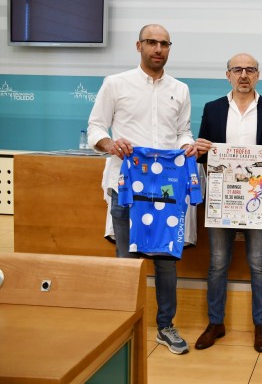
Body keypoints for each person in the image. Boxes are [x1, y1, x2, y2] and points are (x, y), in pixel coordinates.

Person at [87, 24, 198, 355]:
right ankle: (126, 325)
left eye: (164, 44)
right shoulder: (115, 84)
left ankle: (165, 326)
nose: (158, 49)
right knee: (127, 260)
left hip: (165, 190)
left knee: (166, 261)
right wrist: (110, 143)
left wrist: (188, 145)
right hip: (125, 187)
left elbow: (183, 132)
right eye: (151, 42)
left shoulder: (180, 89)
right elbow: (95, 127)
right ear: (139, 46)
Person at [193, 53, 262, 353]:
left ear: (258, 75)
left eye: (249, 70)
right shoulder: (213, 108)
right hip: (222, 199)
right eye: (237, 70)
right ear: (228, 75)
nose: (243, 75)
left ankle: (261, 325)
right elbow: (203, 151)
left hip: (257, 200)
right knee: (218, 264)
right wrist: (200, 148)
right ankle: (215, 322)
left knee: (258, 265)